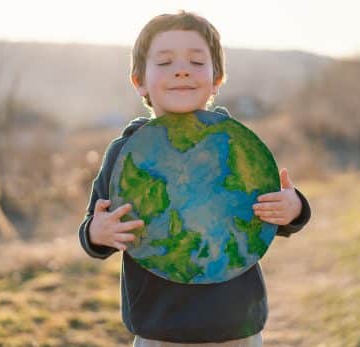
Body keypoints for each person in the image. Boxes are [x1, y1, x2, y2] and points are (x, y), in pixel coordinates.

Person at [78, 10, 312, 347]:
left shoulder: (234, 145)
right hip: (159, 329)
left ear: (217, 79)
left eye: (197, 61)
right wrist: (97, 232)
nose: (182, 69)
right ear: (139, 81)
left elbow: (270, 211)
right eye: (165, 61)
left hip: (237, 327)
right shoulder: (126, 154)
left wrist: (294, 207)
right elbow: (92, 227)